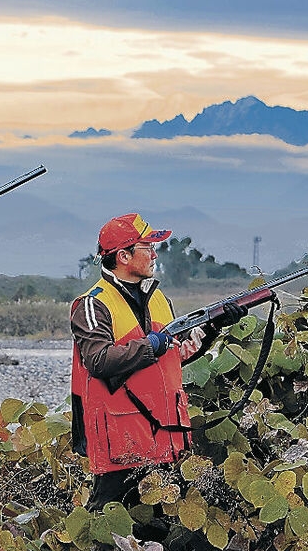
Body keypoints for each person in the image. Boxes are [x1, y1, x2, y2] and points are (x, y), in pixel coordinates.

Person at [70, 213, 245, 510]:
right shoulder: (92, 304)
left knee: (158, 527)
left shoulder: (158, 298)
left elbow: (174, 355)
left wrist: (214, 327)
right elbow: (98, 360)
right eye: (147, 248)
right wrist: (151, 345)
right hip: (120, 438)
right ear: (123, 256)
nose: (154, 255)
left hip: (162, 433)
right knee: (107, 519)